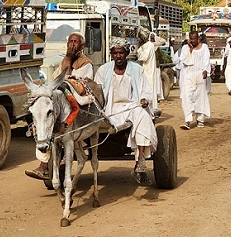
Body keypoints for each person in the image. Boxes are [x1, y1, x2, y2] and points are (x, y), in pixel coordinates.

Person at [25, 32, 94, 180]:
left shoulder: (86, 63)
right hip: (62, 101)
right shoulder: (64, 61)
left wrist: (68, 61)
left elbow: (70, 82)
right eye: (70, 41)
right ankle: (44, 165)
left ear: (82, 46)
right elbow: (55, 80)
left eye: (75, 42)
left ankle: (49, 165)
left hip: (78, 105)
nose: (72, 45)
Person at [94, 38, 157, 185]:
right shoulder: (103, 70)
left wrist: (144, 100)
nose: (118, 56)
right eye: (115, 53)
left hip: (131, 108)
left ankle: (140, 161)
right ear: (111, 54)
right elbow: (97, 93)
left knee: (142, 116)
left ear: (127, 53)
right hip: (108, 110)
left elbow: (145, 91)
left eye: (121, 52)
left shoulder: (137, 70)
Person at [179, 30, 211, 129]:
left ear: (198, 38)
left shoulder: (204, 47)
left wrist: (206, 70)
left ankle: (200, 120)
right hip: (189, 75)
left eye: (194, 39)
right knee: (186, 97)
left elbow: (207, 59)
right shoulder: (185, 48)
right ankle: (187, 121)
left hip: (200, 74)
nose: (193, 41)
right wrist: (191, 49)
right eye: (191, 39)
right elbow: (185, 61)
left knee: (200, 97)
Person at [136, 27, 160, 116]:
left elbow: (144, 57)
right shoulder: (144, 46)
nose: (137, 39)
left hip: (148, 73)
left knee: (148, 93)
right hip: (144, 72)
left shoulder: (149, 45)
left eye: (139, 37)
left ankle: (150, 114)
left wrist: (138, 49)